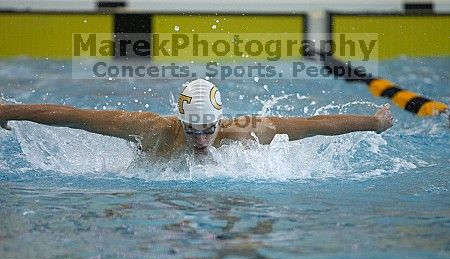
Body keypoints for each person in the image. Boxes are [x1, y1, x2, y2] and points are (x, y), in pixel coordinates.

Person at [0, 79, 394, 155]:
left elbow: (313, 127)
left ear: (220, 121)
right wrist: (7, 111)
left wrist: (372, 122)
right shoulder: (152, 130)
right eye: (193, 129)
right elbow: (73, 116)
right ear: (180, 120)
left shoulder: (242, 132)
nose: (202, 138)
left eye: (209, 129)